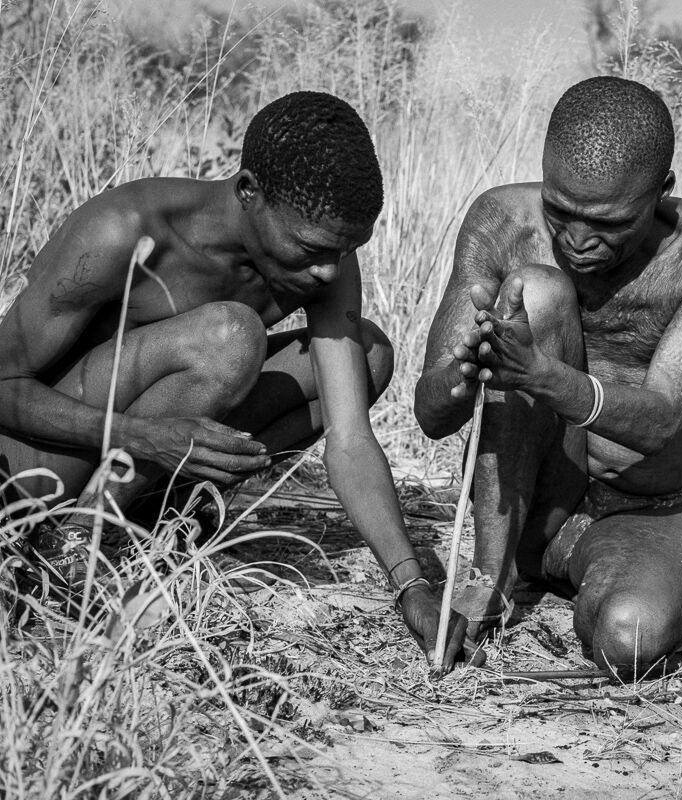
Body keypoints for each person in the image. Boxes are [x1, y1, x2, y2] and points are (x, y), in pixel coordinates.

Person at [0, 91, 442, 646]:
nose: (332, 272)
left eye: (349, 249)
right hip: (40, 467)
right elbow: (4, 386)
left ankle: (172, 518)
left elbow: (350, 439)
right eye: (313, 248)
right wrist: (141, 436)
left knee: (369, 354)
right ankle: (73, 551)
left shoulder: (323, 261)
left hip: (149, 461)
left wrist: (412, 584)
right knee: (232, 337)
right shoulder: (124, 229)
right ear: (249, 192)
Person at [414, 76, 682, 675]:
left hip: (644, 509)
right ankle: (493, 579)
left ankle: (632, 567)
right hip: (530, 503)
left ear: (662, 192)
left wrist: (539, 374)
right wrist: (466, 372)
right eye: (561, 211)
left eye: (608, 224)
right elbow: (429, 414)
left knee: (627, 643)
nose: (578, 240)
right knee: (539, 291)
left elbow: (658, 422)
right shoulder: (502, 220)